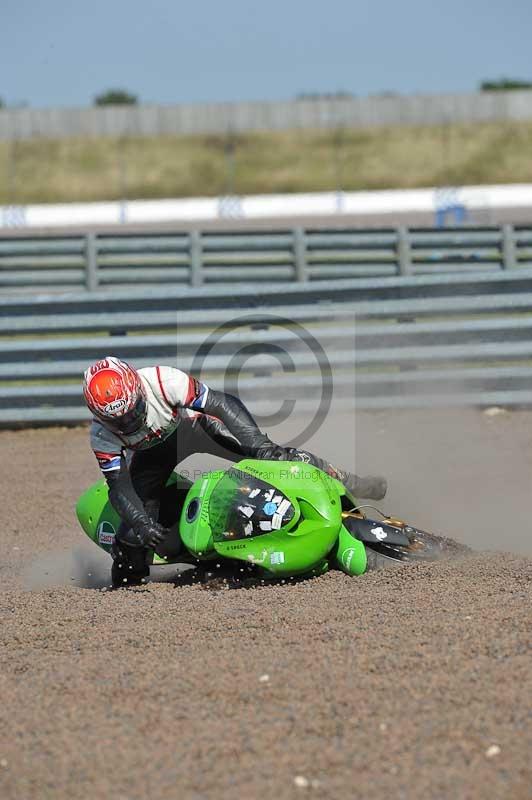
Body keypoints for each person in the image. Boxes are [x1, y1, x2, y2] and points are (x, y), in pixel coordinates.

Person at [83, 356, 387, 587]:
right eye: (119, 422)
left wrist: (258, 445)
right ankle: (127, 591)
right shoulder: (101, 436)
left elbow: (222, 404)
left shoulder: (162, 380)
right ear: (100, 417)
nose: (130, 423)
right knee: (131, 538)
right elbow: (118, 485)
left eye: (133, 411)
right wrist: (141, 522)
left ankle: (352, 483)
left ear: (136, 388)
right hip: (150, 458)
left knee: (277, 458)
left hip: (193, 427)